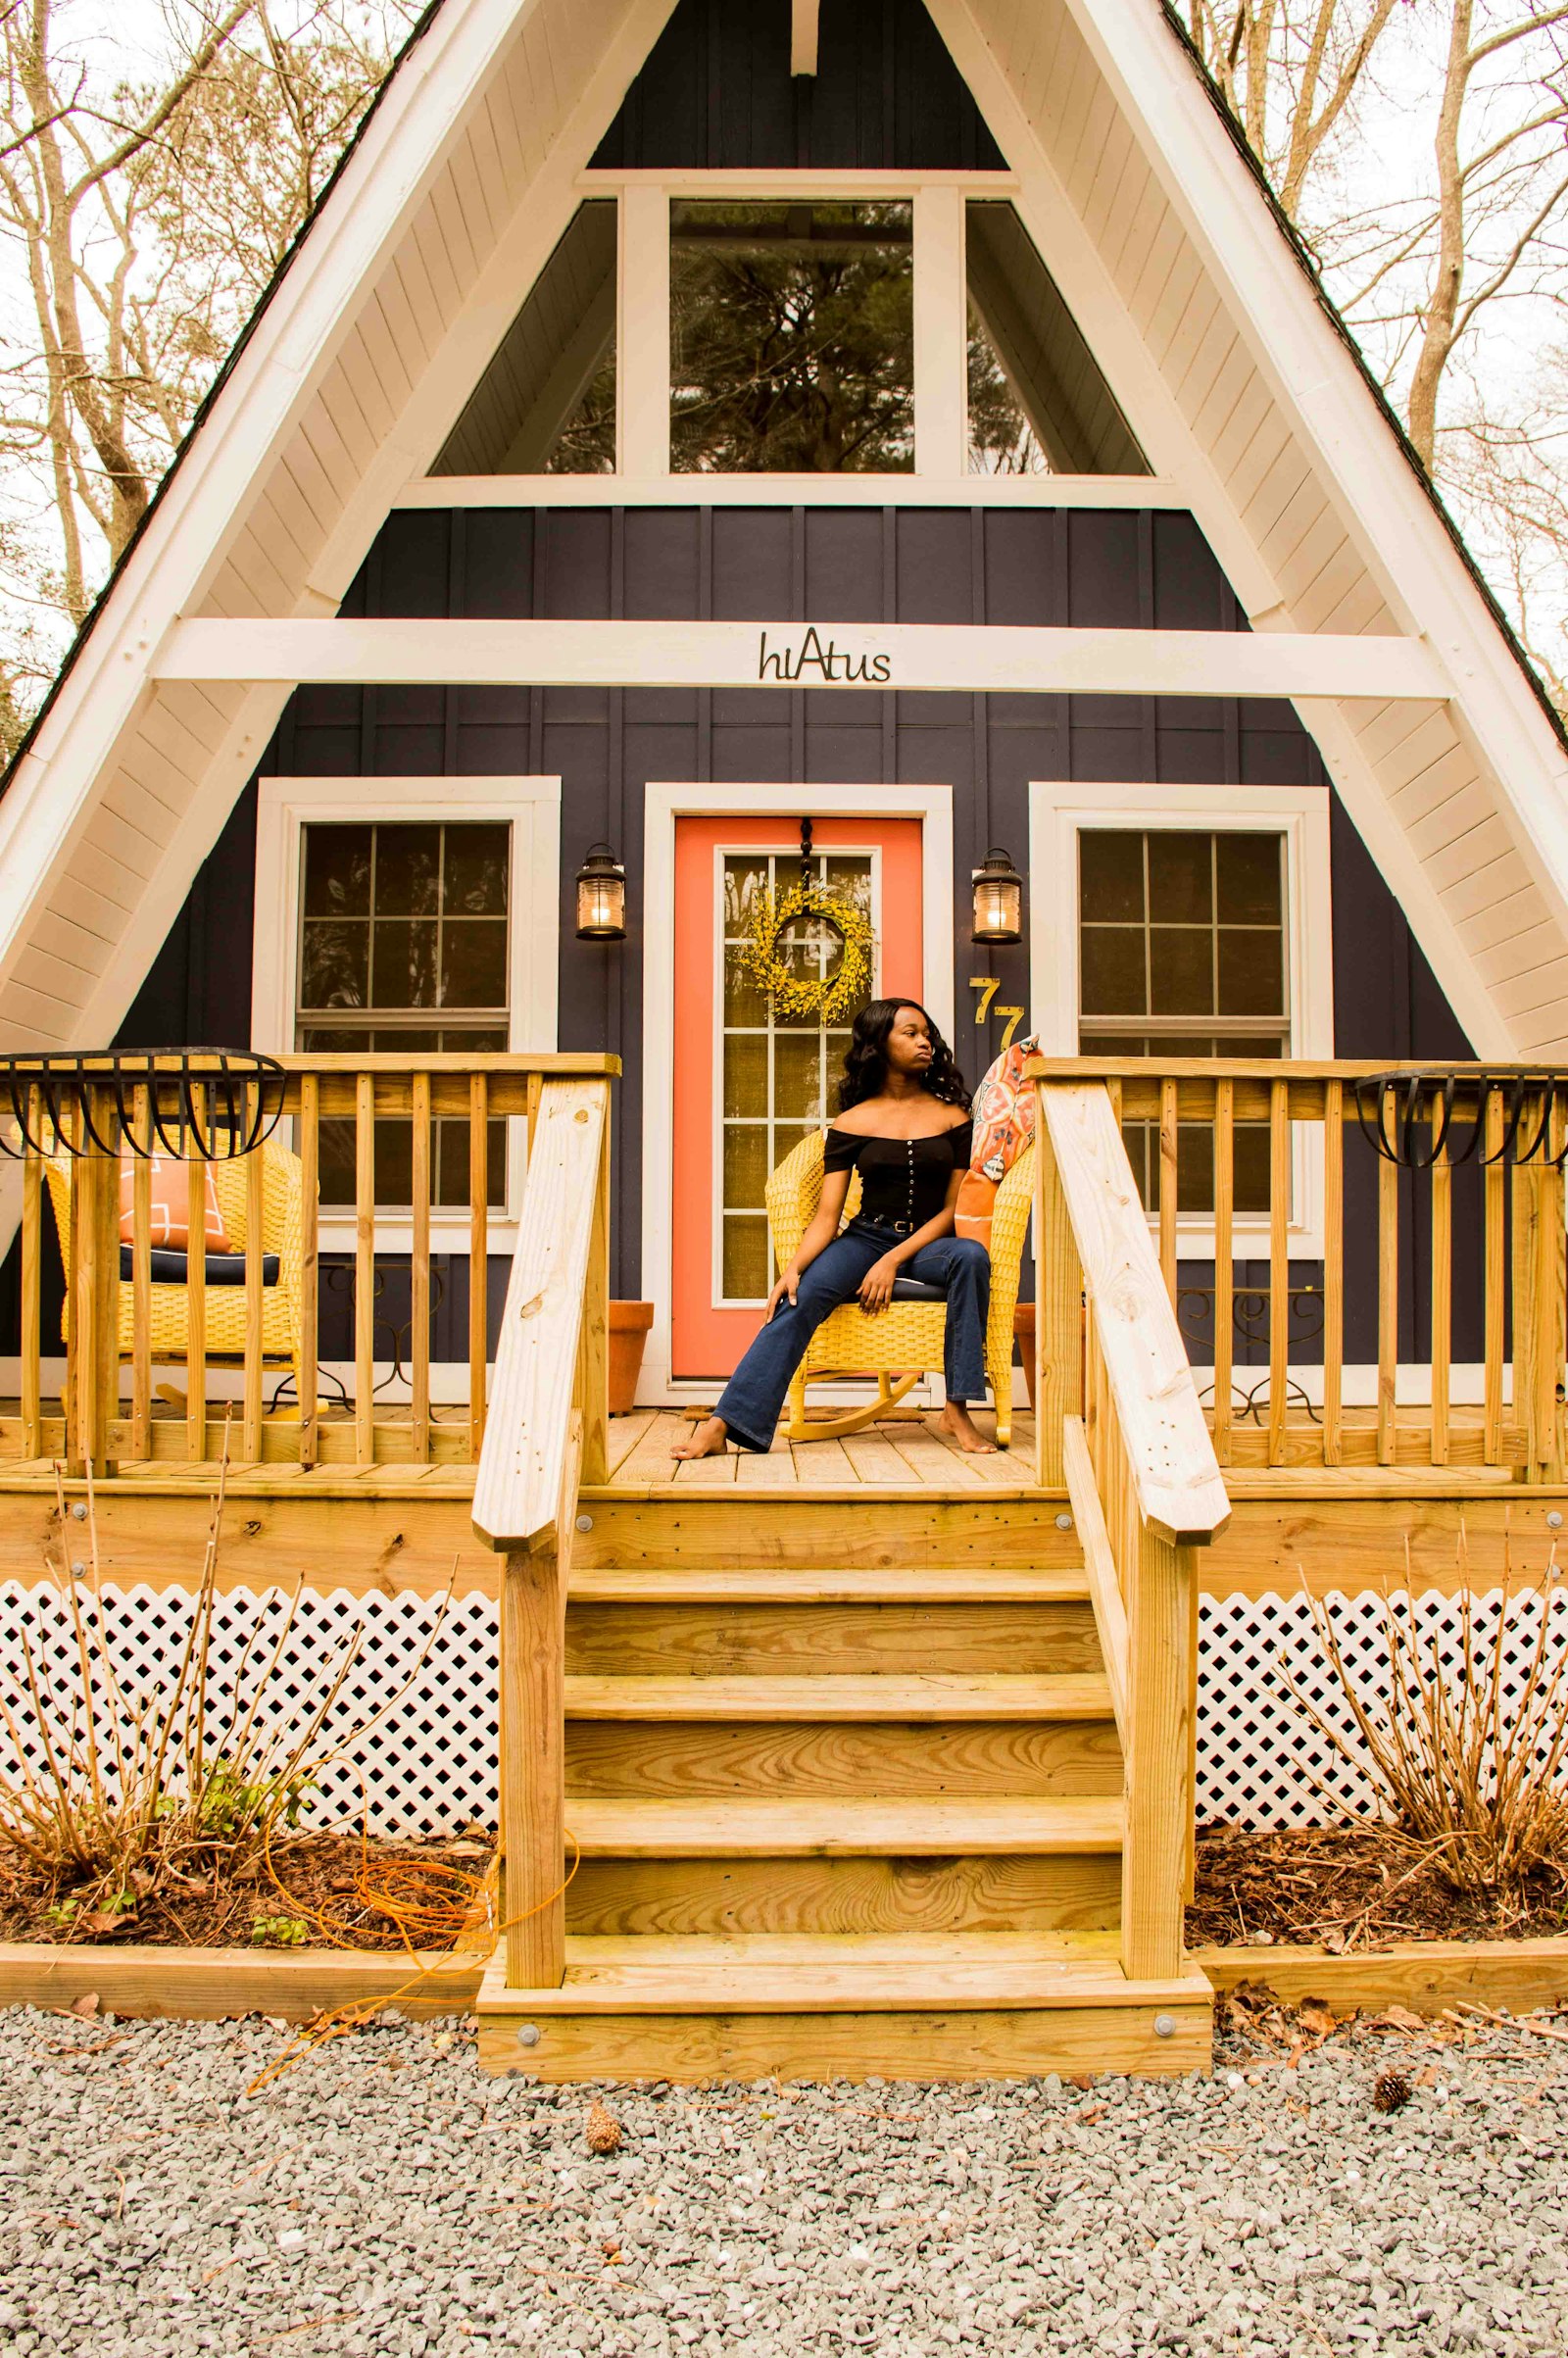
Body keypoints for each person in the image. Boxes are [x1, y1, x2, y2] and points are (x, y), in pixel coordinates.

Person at [673, 999, 996, 1459]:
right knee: (796, 1297)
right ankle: (723, 1424)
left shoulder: (953, 1117)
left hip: (930, 1243)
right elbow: (828, 1216)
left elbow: (953, 1208)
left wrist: (893, 1259)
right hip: (865, 1236)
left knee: (972, 1257)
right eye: (909, 1032)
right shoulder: (852, 1122)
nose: (924, 1041)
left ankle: (956, 1409)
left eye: (926, 1033)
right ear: (879, 1044)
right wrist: (794, 1268)